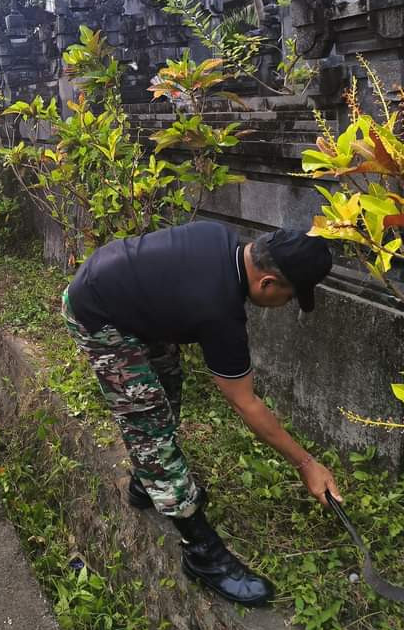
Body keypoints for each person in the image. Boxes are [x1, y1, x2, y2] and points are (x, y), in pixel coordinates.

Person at [62, 222, 341, 607]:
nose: (287, 304)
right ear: (267, 283)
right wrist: (307, 464)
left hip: (122, 296)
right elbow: (245, 402)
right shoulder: (219, 308)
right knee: (149, 424)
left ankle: (147, 483)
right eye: (291, 296)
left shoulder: (220, 239)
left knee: (167, 379)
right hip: (95, 313)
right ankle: (201, 551)